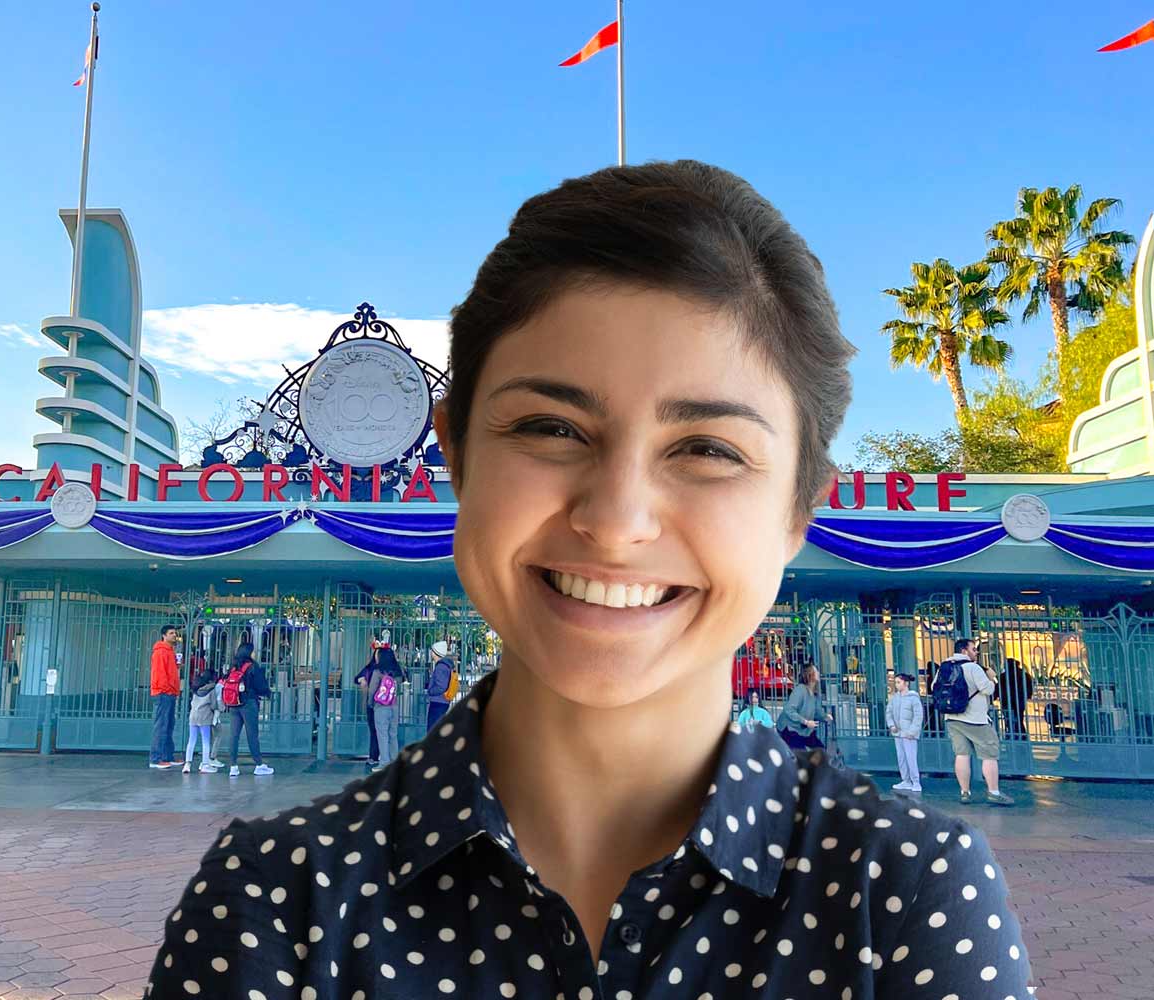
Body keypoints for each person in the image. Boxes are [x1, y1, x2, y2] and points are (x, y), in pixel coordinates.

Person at [147, 160, 1032, 997]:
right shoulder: (276, 903)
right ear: (456, 455)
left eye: (708, 449)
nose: (615, 522)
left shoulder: (903, 898)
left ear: (798, 511)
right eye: (551, 428)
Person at [938, 637, 1014, 806]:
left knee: (961, 755)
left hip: (952, 717)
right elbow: (988, 689)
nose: (976, 652)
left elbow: (934, 688)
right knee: (989, 755)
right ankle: (993, 791)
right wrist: (992, 677)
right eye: (974, 649)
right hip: (976, 719)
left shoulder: (944, 667)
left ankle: (965, 792)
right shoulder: (973, 668)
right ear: (964, 651)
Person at [224, 641, 273, 777]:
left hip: (234, 703)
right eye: (253, 650)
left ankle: (233, 766)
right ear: (249, 652)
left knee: (233, 735)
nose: (255, 653)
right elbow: (260, 685)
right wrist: (267, 693)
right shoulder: (252, 667)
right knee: (252, 735)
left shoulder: (234, 666)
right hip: (248, 703)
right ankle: (258, 764)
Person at [147, 624, 181, 770]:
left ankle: (167, 756)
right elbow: (160, 675)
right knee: (161, 725)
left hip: (169, 692)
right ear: (164, 635)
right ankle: (156, 759)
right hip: (163, 693)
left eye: (175, 633)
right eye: (171, 633)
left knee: (168, 725)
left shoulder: (169, 652)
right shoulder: (161, 652)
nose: (174, 635)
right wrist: (168, 690)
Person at [367, 646, 404, 771]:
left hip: (381, 707)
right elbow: (398, 689)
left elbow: (372, 690)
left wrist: (370, 703)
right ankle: (394, 762)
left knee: (382, 735)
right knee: (393, 734)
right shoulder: (398, 672)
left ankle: (384, 763)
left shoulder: (378, 672)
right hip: (394, 706)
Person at [778, 664, 831, 751]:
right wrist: (806, 722)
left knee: (820, 751)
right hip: (790, 729)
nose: (818, 673)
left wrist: (825, 717)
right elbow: (789, 710)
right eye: (816, 671)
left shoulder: (815, 693)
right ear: (810, 674)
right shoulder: (800, 690)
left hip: (804, 731)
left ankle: (812, 764)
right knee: (801, 753)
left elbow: (817, 712)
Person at [886, 671, 923, 793]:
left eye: (898, 682)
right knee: (901, 758)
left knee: (910, 758)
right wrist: (891, 725)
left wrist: (912, 731)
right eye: (895, 682)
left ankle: (916, 781)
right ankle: (906, 781)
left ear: (906, 683)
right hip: (898, 733)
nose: (896, 685)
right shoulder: (895, 698)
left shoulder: (913, 698)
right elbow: (889, 712)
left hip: (909, 734)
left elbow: (918, 716)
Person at [182, 666, 223, 774]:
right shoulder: (211, 690)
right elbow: (214, 705)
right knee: (205, 741)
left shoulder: (196, 688)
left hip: (193, 717)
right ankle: (205, 764)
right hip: (205, 718)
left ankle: (187, 764)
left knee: (191, 740)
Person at [353, 644, 382, 766]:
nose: (377, 656)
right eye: (376, 653)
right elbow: (357, 677)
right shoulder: (370, 668)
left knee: (383, 732)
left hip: (383, 704)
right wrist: (361, 679)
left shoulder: (389, 668)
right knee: (374, 731)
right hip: (371, 703)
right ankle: (374, 756)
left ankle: (382, 757)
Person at [998, 656, 1034, 740]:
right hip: (1020, 700)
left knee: (1008, 718)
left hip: (1007, 700)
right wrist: (1028, 695)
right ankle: (1021, 734)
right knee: (1019, 717)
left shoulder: (1004, 676)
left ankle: (1011, 733)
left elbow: (999, 688)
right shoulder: (1024, 674)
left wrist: (995, 696)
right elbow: (1029, 687)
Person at [425, 638, 455, 730]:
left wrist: (430, 691)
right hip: (442, 702)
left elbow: (441, 686)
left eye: (432, 651)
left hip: (438, 702)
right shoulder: (446, 665)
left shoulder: (440, 667)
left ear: (435, 653)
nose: (431, 653)